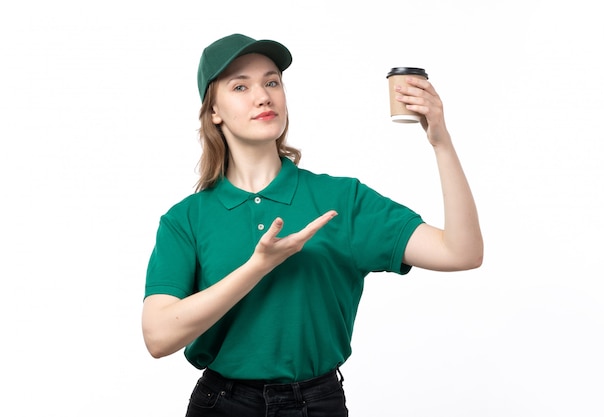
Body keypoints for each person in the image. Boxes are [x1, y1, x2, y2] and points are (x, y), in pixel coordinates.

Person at [142, 33, 483, 417]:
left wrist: (441, 143)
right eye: (240, 86)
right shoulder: (186, 218)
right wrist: (259, 266)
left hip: (316, 405)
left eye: (272, 82)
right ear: (214, 110)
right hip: (222, 405)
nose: (263, 96)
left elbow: (462, 252)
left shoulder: (342, 200)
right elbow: (158, 336)